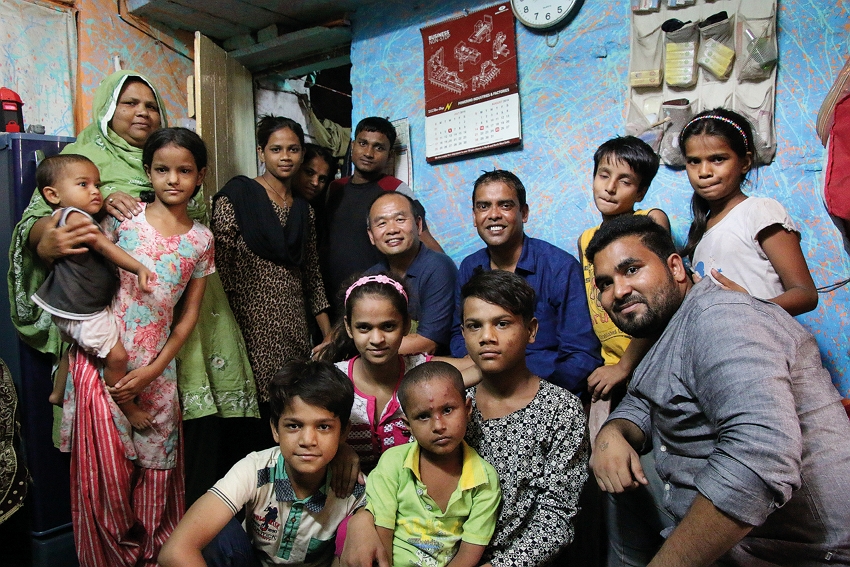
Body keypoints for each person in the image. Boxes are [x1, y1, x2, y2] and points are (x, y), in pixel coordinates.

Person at [587, 214, 850, 566]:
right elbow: (643, 399)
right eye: (605, 283)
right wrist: (613, 434)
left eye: (631, 269)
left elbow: (758, 458)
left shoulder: (721, 318)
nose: (618, 292)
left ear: (676, 268)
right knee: (610, 478)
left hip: (794, 549)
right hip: (720, 529)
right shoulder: (666, 327)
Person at [7, 69, 257, 427]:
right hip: (117, 303)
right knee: (112, 410)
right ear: (109, 108)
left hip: (179, 294)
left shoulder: (177, 160)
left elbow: (196, 225)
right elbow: (43, 217)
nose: (143, 112)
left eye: (152, 106)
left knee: (174, 416)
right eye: (130, 103)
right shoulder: (83, 155)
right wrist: (53, 234)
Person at [343, 270, 590, 567]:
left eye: (502, 323)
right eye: (474, 326)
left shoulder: (560, 411)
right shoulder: (444, 402)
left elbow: (556, 520)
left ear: (531, 330)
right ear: (463, 334)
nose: (486, 337)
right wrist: (361, 517)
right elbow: (398, 480)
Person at [59, 127, 215, 566]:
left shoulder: (202, 240)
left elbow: (186, 320)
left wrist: (153, 370)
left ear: (200, 175)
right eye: (162, 169)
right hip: (103, 362)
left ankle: (154, 556)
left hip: (158, 371)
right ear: (148, 171)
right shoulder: (122, 220)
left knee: (157, 471)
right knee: (106, 476)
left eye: (185, 171)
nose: (172, 179)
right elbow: (80, 276)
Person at [159, 360, 366, 567]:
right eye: (294, 426)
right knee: (220, 533)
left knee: (360, 530)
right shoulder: (256, 469)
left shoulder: (355, 490)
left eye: (323, 427)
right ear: (275, 429)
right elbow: (175, 551)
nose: (307, 440)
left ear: (344, 432)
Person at [578, 136, 673, 567]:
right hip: (610, 367)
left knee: (652, 474)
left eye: (625, 180)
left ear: (641, 191)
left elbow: (661, 307)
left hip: (644, 361)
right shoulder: (586, 238)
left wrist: (625, 365)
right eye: (603, 175)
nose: (610, 187)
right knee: (605, 470)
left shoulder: (650, 222)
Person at [213, 116, 331, 449]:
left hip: (292, 325)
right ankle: (251, 492)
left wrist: (327, 332)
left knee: (290, 408)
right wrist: (228, 328)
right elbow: (221, 270)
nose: (285, 157)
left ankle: (284, 491)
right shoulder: (236, 196)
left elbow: (311, 274)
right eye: (276, 149)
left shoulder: (303, 210)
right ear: (261, 152)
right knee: (251, 415)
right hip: (246, 323)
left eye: (293, 149)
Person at [449, 170, 602, 395]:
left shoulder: (559, 267)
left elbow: (581, 355)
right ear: (474, 216)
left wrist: (537, 395)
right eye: (483, 206)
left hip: (546, 390)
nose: (493, 215)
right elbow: (457, 334)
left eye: (505, 205)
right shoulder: (470, 268)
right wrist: (483, 366)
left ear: (524, 213)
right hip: (484, 385)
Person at [30, 154, 153, 428]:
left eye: (97, 184)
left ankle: (58, 392)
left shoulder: (67, 216)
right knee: (118, 356)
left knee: (72, 346)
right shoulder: (75, 218)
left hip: (69, 307)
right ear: (52, 194)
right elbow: (104, 247)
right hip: (84, 310)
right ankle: (128, 406)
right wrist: (139, 268)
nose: (95, 191)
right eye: (83, 185)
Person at [317, 274, 474, 473]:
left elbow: (471, 371)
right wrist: (338, 448)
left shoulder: (421, 370)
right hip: (347, 496)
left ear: (406, 325)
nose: (377, 339)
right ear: (349, 327)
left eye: (388, 326)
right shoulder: (333, 380)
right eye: (364, 327)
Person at [680, 108, 818, 316]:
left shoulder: (759, 211)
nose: (704, 172)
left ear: (744, 162)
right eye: (694, 161)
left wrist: (749, 305)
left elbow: (806, 294)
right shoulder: (700, 231)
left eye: (718, 159)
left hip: (765, 341)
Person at [365, 361, 501, 567]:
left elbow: (467, 556)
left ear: (467, 409)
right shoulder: (394, 464)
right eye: (423, 416)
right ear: (408, 425)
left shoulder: (484, 479)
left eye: (447, 410)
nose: (438, 426)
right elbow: (381, 534)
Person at [321, 116, 443, 316]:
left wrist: (449, 276)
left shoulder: (395, 189)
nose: (368, 153)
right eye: (363, 144)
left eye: (379, 147)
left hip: (376, 297)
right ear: (353, 146)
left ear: (389, 154)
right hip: (333, 296)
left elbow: (424, 239)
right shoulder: (335, 188)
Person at [366, 191, 458, 355]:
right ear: (371, 236)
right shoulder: (370, 277)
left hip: (432, 371)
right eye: (381, 224)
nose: (392, 229)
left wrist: (363, 351)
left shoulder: (438, 268)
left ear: (418, 225)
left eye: (400, 220)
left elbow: (428, 343)